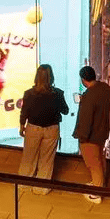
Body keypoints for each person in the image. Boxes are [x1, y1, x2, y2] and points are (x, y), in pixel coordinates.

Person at [18, 64, 69, 193]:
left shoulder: (29, 93)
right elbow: (65, 111)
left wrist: (22, 126)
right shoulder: (57, 93)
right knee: (47, 159)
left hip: (33, 128)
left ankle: (24, 183)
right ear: (51, 77)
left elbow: (24, 112)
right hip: (51, 129)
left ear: (36, 77)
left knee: (29, 156)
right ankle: (41, 188)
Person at [73, 66, 110, 204]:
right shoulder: (106, 89)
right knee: (100, 158)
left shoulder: (88, 97)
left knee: (93, 163)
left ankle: (97, 193)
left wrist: (81, 136)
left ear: (83, 80)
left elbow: (86, 120)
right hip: (102, 131)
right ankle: (99, 184)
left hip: (91, 135)